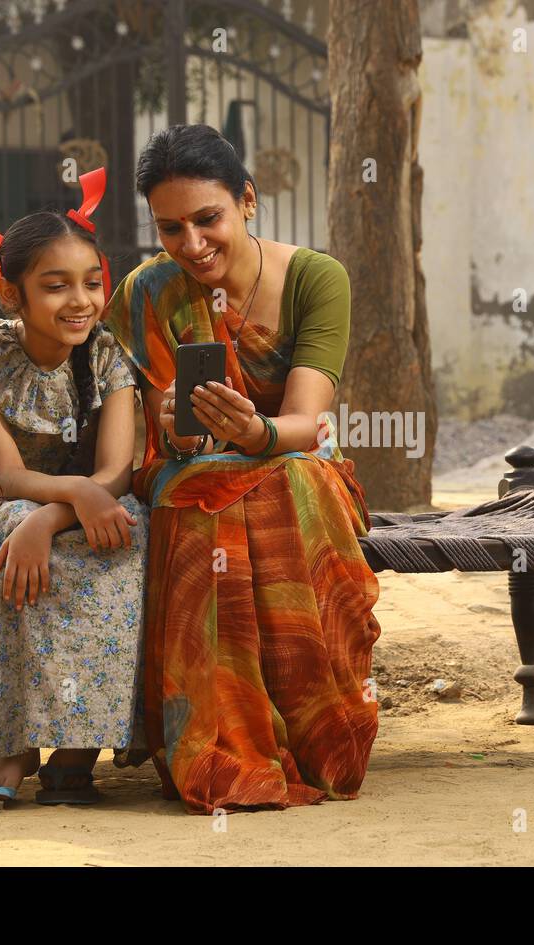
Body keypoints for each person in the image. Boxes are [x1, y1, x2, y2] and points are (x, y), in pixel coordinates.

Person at [103, 123, 382, 814]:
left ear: (247, 201)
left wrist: (255, 432)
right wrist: (178, 429)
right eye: (170, 229)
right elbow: (156, 443)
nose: (191, 246)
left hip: (294, 458)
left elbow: (310, 423)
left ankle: (317, 731)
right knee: (204, 498)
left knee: (289, 480)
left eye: (208, 220)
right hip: (195, 472)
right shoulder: (148, 293)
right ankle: (222, 740)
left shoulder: (316, 279)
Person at [0, 171, 149, 814]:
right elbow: (7, 477)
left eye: (92, 282)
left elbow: (117, 470)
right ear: (10, 293)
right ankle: (13, 747)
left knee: (126, 545)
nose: (80, 301)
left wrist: (56, 515)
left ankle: (77, 753)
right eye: (56, 286)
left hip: (83, 500)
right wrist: (51, 508)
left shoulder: (108, 358)